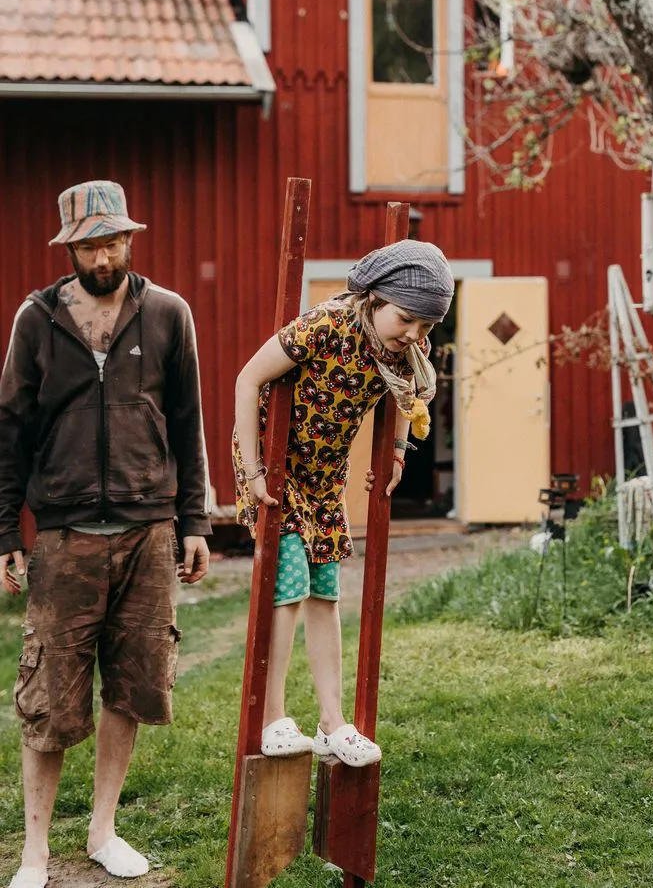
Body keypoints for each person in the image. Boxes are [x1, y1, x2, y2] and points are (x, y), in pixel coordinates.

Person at [0, 180, 212, 888]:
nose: (103, 253)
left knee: (131, 688)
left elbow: (188, 424)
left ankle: (102, 831)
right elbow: (9, 434)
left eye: (113, 238)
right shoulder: (36, 320)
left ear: (130, 239)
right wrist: (7, 530)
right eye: (89, 242)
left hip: (148, 530)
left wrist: (195, 521)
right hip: (63, 537)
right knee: (49, 699)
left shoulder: (168, 314)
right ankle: (34, 853)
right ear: (70, 247)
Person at [233, 239, 454, 766]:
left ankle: (333, 723)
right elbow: (248, 378)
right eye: (406, 319)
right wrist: (253, 469)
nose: (414, 335)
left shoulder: (404, 350)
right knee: (288, 586)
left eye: (426, 327)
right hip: (276, 466)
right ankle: (273, 718)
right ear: (376, 299)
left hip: (325, 477)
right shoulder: (324, 325)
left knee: (326, 594)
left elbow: (407, 396)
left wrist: (399, 450)